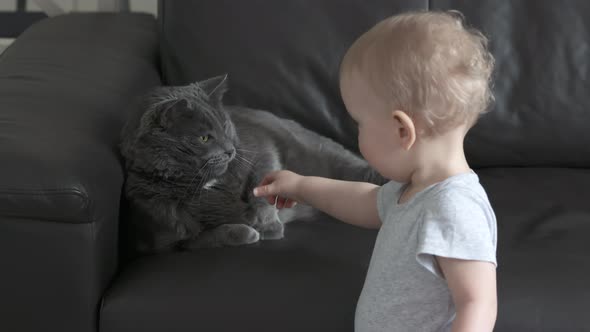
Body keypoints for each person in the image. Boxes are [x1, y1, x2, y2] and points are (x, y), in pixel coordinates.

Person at [253, 10, 497, 332]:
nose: (356, 133)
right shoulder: (413, 189)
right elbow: (364, 201)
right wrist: (300, 186)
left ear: (401, 131)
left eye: (360, 123)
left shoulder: (453, 207)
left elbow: (477, 302)